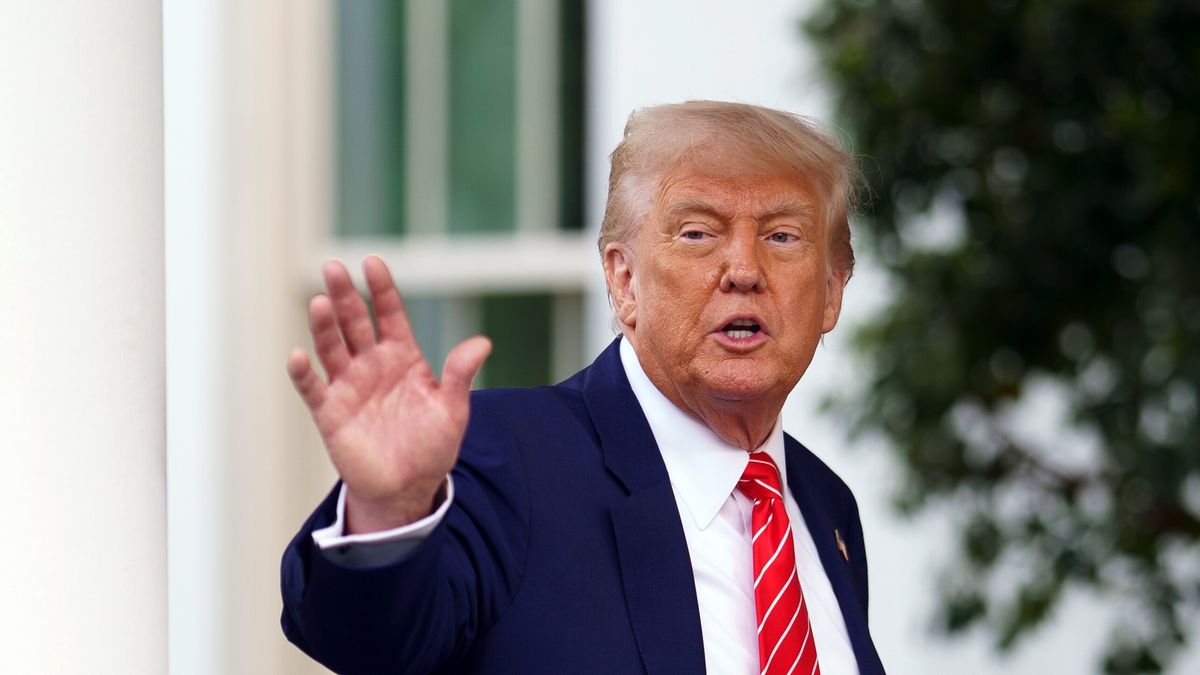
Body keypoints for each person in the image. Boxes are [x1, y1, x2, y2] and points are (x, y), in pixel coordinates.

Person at [281, 100, 885, 674]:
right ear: (625, 281)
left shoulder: (824, 503)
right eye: (699, 233)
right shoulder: (507, 458)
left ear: (832, 291)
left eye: (782, 236)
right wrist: (388, 513)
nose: (745, 271)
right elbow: (371, 643)